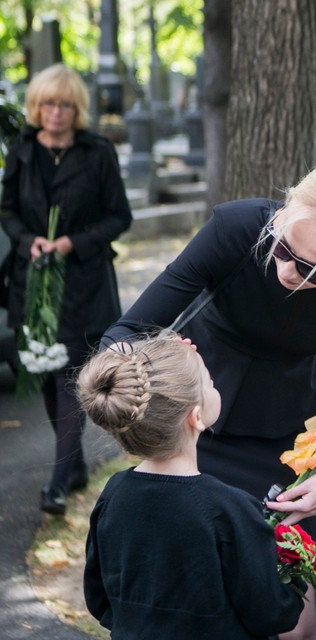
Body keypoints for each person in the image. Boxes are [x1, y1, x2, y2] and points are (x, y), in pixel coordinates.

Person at [100, 144, 316, 639]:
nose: (288, 271)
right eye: (284, 249)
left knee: (294, 618)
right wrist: (131, 385)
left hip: (289, 439)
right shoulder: (236, 228)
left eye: (315, 271)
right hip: (195, 428)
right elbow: (129, 329)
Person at [78, 331, 305, 639]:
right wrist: (295, 579)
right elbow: (272, 613)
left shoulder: (113, 496)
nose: (214, 386)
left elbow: (99, 597)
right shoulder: (229, 509)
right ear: (196, 417)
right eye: (209, 383)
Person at [0, 63, 132, 516]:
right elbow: (8, 210)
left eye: (65, 105)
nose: (56, 113)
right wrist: (26, 240)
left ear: (77, 109)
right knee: (44, 369)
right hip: (32, 283)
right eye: (48, 104)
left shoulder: (97, 152)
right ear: (37, 107)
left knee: (69, 375)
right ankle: (73, 467)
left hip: (83, 282)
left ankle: (57, 481)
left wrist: (73, 242)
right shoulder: (21, 150)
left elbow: (120, 217)